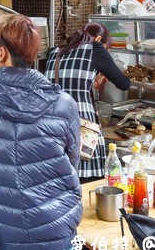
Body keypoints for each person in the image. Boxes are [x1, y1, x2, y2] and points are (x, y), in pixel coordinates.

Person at [0, 14, 82, 250]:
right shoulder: (64, 103)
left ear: (1, 54)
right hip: (58, 237)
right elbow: (72, 162)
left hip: (3, 239)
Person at [45, 22, 131, 181]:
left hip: (54, 127)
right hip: (82, 130)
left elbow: (69, 83)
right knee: (86, 184)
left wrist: (95, 80)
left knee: (60, 182)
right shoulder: (96, 49)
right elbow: (124, 84)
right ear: (99, 39)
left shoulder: (55, 52)